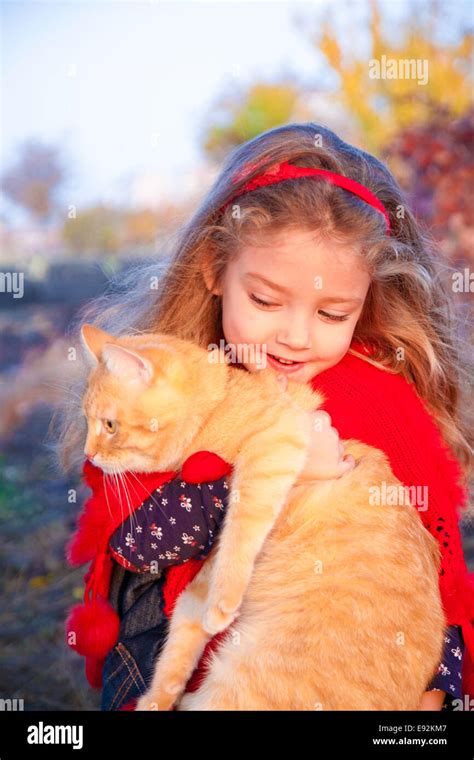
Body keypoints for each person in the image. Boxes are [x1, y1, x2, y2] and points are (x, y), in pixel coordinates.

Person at [56, 122, 473, 711]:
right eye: (266, 301)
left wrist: (444, 689)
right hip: (199, 656)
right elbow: (136, 549)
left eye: (332, 313)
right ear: (213, 270)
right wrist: (277, 473)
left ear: (365, 303)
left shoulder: (383, 404)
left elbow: (434, 580)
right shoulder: (171, 386)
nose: (295, 337)